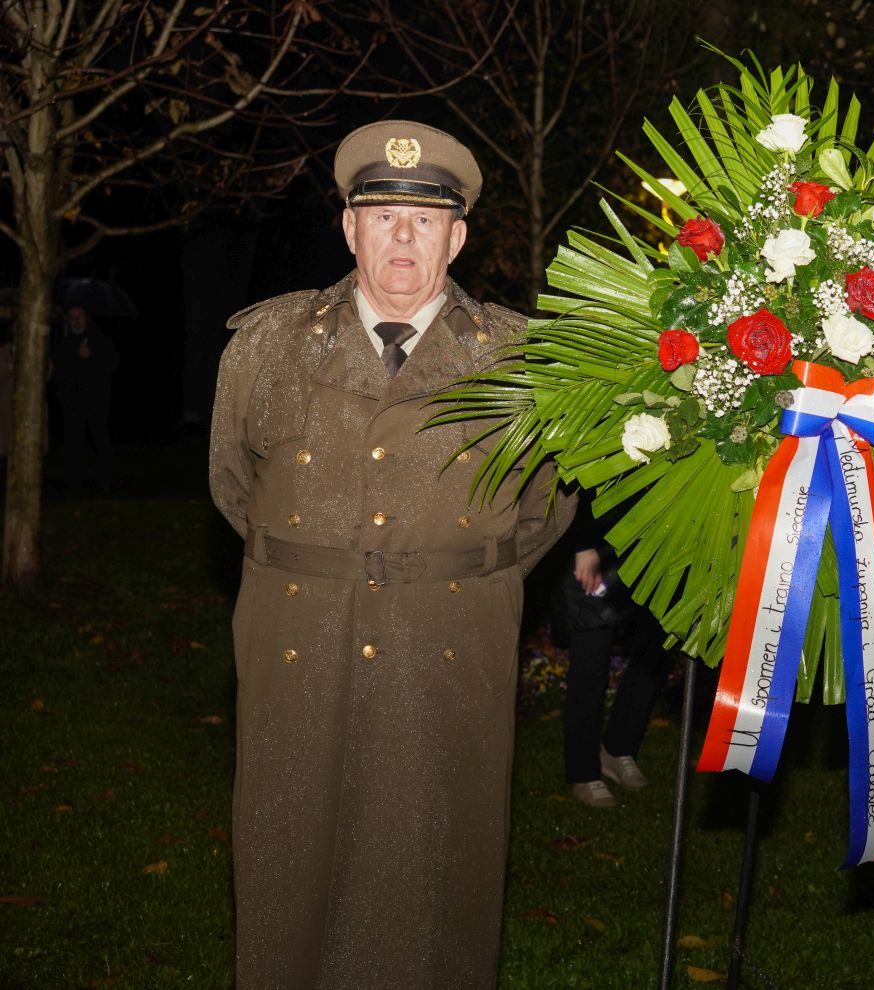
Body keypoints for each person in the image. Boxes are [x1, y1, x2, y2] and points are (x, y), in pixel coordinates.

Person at [209, 120, 570, 990]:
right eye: (382, 217)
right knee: (288, 851)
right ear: (349, 228)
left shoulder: (518, 360)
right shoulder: (268, 344)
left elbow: (545, 507)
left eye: (425, 220)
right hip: (300, 641)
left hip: (448, 642)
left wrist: (448, 574)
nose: (402, 238)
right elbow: (232, 485)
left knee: (436, 861)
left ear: (457, 237)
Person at [559, 496, 671, 807]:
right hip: (598, 543)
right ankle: (583, 771)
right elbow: (575, 478)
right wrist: (582, 545)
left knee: (655, 651)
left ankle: (619, 749)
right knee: (591, 658)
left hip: (656, 538)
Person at [51, 304, 118, 493]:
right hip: (73, 402)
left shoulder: (99, 339)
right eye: (72, 317)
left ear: (87, 318)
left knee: (100, 440)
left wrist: (91, 356)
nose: (76, 321)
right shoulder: (65, 343)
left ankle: (103, 482)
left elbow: (112, 364)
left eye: (79, 316)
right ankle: (74, 482)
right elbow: (59, 371)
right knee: (73, 442)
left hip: (97, 401)